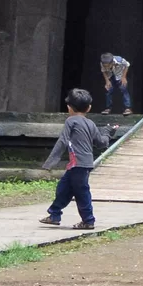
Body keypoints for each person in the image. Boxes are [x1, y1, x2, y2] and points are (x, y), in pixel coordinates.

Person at [40, 88, 109, 230]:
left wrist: (50, 162)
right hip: (81, 165)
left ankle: (88, 220)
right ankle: (54, 215)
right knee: (63, 189)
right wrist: (108, 132)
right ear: (89, 108)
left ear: (69, 107)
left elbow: (62, 141)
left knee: (81, 192)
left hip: (78, 164)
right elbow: (101, 143)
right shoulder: (91, 124)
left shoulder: (70, 121)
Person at [99, 52, 130, 117]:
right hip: (110, 76)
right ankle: (108, 108)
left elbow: (127, 65)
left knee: (124, 89)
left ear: (112, 62)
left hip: (120, 75)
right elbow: (103, 71)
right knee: (108, 90)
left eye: (108, 66)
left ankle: (127, 108)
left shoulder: (120, 60)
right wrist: (107, 81)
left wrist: (124, 77)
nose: (106, 67)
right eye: (105, 66)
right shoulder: (102, 63)